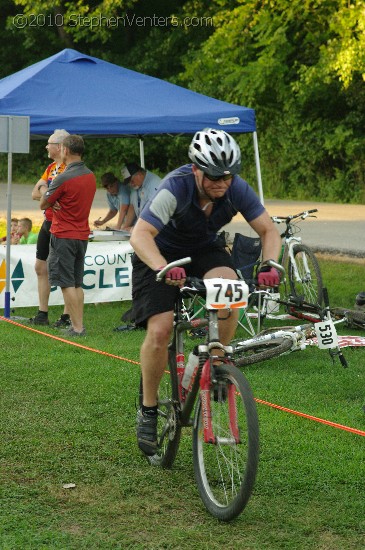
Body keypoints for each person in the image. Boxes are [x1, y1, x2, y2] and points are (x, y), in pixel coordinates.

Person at [130, 128, 282, 456]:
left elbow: (269, 229)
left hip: (202, 248)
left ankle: (216, 362)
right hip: (157, 252)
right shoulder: (175, 187)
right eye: (213, 176)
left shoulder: (236, 188)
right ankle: (149, 408)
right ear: (196, 169)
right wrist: (163, 267)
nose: (222, 183)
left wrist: (270, 264)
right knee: (160, 330)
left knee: (230, 288)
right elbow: (140, 234)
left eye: (228, 176)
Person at [40, 135, 96, 337]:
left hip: (64, 234)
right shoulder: (90, 175)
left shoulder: (63, 177)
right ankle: (77, 324)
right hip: (81, 235)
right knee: (76, 282)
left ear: (65, 151)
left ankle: (78, 328)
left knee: (66, 283)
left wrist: (45, 188)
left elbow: (43, 204)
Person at [30, 129, 70, 327]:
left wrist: (46, 193)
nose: (46, 146)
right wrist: (48, 193)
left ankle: (66, 316)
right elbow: (34, 193)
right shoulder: (51, 167)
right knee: (40, 267)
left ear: (60, 146)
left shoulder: (68, 168)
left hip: (62, 225)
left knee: (65, 270)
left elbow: (54, 197)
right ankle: (42, 314)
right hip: (48, 222)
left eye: (49, 143)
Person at [119, 163, 161, 231]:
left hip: (155, 227)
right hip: (142, 226)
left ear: (139, 174)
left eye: (132, 181)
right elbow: (132, 206)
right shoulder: (137, 184)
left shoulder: (154, 185)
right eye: (129, 182)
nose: (131, 184)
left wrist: (136, 229)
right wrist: (125, 227)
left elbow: (153, 213)